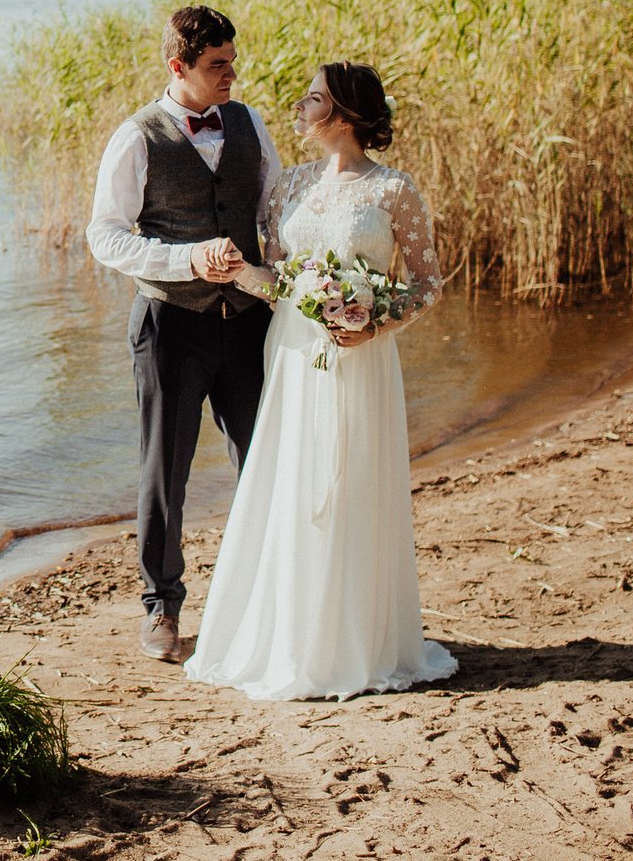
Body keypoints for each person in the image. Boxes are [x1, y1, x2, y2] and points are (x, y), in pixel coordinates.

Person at [184, 62, 457, 699]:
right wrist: (235, 272)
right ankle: (293, 637)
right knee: (293, 483)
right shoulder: (288, 188)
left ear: (343, 113)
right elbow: (280, 282)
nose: (299, 107)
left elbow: (426, 283)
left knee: (352, 482)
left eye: (311, 99)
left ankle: (358, 643)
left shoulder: (394, 191)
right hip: (294, 354)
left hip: (361, 358)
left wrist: (374, 322)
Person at [86, 5, 281, 663]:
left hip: (250, 325)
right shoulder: (137, 137)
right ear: (179, 67)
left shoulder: (251, 124)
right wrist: (185, 259)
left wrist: (279, 277)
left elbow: (271, 212)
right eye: (217, 65)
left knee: (262, 462)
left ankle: (265, 594)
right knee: (164, 472)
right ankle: (162, 609)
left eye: (232, 60)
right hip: (171, 325)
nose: (232, 74)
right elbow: (104, 233)